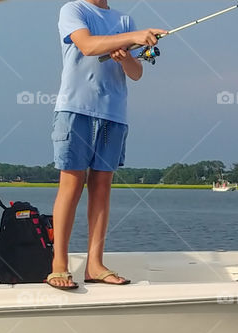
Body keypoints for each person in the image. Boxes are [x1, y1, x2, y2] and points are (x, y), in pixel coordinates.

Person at [45, 0, 166, 289]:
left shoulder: (124, 20)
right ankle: (58, 264)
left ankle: (95, 265)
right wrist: (132, 38)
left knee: (102, 188)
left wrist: (125, 55)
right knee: (71, 185)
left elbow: (136, 73)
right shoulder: (72, 10)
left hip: (114, 114)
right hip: (75, 110)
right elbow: (86, 45)